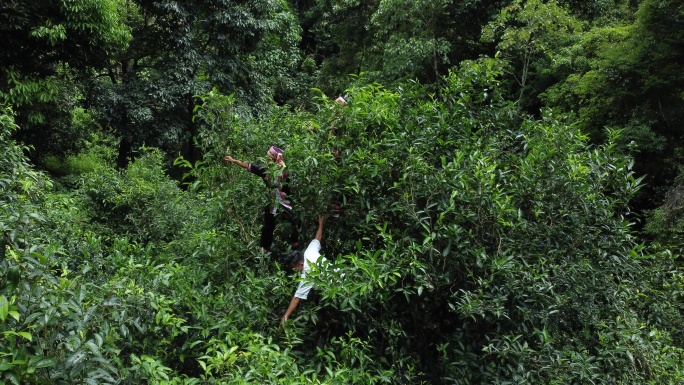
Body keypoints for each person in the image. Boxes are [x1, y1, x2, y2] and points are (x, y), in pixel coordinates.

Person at [224, 146, 298, 253]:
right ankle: (264, 252)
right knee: (268, 227)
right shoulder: (266, 170)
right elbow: (248, 165)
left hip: (285, 203)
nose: (266, 160)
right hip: (273, 203)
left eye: (268, 158)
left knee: (292, 223)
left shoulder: (284, 170)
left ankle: (294, 248)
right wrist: (233, 160)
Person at [280, 216, 327, 327]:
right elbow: (318, 237)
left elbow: (297, 297)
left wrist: (285, 317)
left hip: (338, 286)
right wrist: (321, 224)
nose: (295, 271)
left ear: (300, 264)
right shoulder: (309, 251)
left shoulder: (308, 271)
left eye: (294, 268)